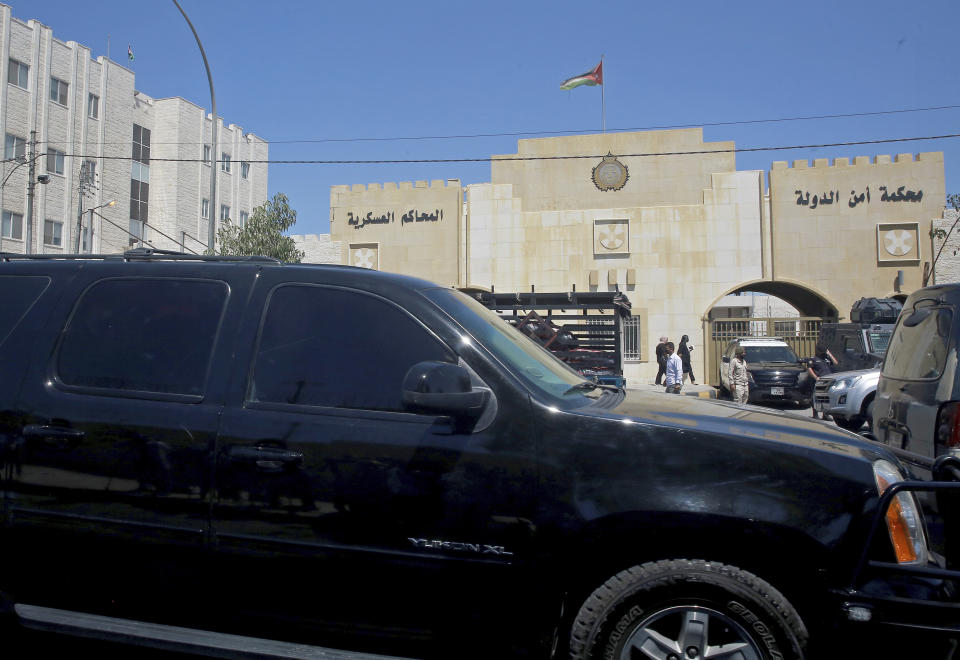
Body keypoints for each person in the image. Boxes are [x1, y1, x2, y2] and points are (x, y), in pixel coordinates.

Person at [807, 344, 838, 420]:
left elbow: (835, 363)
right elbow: (809, 369)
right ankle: (815, 414)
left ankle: (825, 415)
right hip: (820, 380)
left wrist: (829, 354)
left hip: (828, 380)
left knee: (826, 398)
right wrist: (816, 377)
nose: (823, 353)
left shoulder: (827, 358)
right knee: (817, 398)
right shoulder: (813, 359)